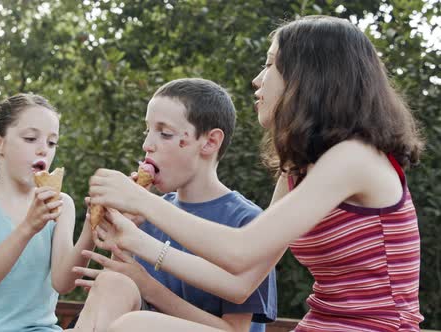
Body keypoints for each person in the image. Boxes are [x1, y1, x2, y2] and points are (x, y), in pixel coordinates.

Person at [89, 16, 425, 331]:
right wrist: (135, 240)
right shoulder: (296, 170)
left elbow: (240, 249)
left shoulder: (355, 157)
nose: (257, 79)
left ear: (308, 75)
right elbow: (239, 282)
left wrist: (141, 201)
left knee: (136, 326)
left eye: (269, 64)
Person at [69, 78, 277, 332]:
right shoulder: (144, 214)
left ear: (210, 142)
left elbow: (236, 330)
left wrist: (148, 286)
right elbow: (122, 299)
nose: (147, 145)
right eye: (147, 131)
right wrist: (119, 239)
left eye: (165, 133)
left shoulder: (247, 222)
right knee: (113, 283)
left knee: (135, 323)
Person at [0, 93, 95, 332]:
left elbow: (62, 282)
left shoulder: (62, 204)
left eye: (51, 143)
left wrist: (91, 227)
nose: (43, 150)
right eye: (30, 138)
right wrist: (29, 227)